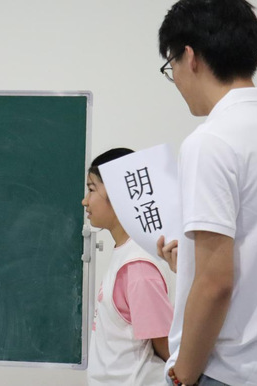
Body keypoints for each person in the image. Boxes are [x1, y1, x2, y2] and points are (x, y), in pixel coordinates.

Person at [157, 0, 257, 385]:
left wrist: (182, 375)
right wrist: (190, 263)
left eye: (170, 65)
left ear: (189, 57)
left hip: (227, 373)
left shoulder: (211, 142)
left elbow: (216, 283)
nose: (175, 79)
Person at [83, 148, 174, 385]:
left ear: (117, 193)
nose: (85, 201)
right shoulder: (124, 255)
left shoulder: (138, 265)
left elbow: (164, 344)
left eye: (91, 189)